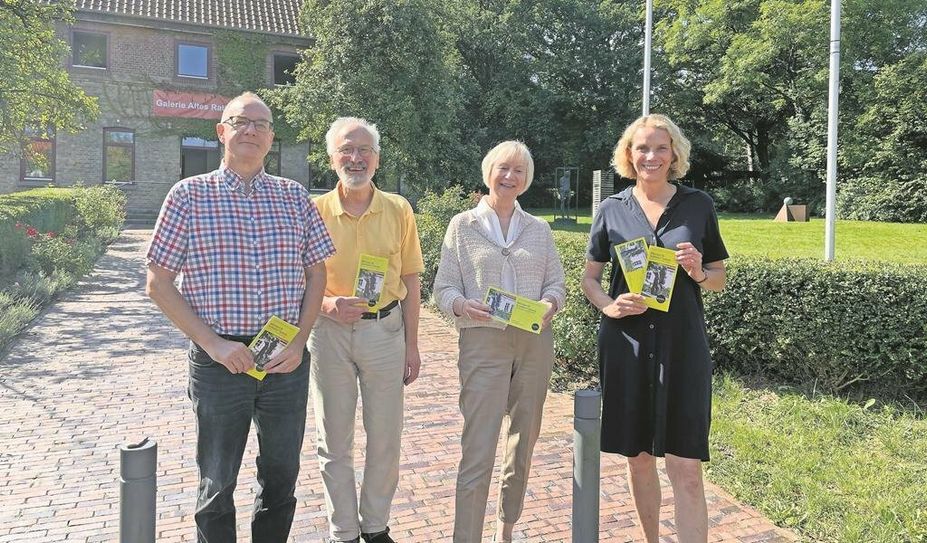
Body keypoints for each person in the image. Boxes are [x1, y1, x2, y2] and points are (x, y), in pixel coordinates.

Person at [146, 91, 335, 542]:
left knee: (282, 474)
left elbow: (317, 274)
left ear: (271, 139)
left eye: (261, 124)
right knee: (217, 479)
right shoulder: (188, 196)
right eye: (240, 121)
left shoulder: (294, 197)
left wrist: (299, 341)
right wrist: (213, 344)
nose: (251, 130)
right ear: (222, 132)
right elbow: (158, 283)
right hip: (218, 361)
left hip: (284, 360)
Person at [581, 114, 728, 543]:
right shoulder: (611, 209)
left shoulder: (698, 204)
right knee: (639, 458)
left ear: (674, 154)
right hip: (625, 345)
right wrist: (610, 306)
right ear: (629, 155)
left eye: (660, 148)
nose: (651, 156)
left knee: (685, 465)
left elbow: (718, 278)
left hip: (682, 347)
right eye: (642, 148)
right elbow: (590, 279)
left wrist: (700, 271)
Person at [433, 141, 566, 543]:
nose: (510, 177)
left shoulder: (538, 230)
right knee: (478, 445)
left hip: (533, 343)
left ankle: (505, 528)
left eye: (519, 171)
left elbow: (556, 284)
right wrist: (460, 305)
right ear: (488, 171)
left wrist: (548, 304)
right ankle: (466, 536)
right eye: (503, 169)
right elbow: (443, 287)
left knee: (523, 440)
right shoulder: (462, 226)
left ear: (526, 180)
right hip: (483, 343)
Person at [310, 117, 424, 543]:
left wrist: (413, 346)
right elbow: (300, 280)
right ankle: (343, 531)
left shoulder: (399, 209)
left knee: (385, 437)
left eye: (364, 151)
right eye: (346, 149)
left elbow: (411, 279)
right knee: (333, 438)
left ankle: (375, 526)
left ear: (376, 158)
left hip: (385, 333)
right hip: (329, 335)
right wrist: (327, 305)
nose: (355, 158)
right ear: (332, 156)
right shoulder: (315, 210)